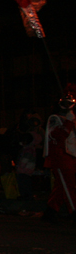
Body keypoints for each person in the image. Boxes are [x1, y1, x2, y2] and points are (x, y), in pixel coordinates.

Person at [42, 94, 76, 222]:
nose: (67, 106)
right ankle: (74, 211)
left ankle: (51, 211)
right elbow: (57, 136)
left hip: (70, 157)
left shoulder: (71, 118)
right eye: (65, 104)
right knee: (68, 186)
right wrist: (68, 123)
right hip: (61, 157)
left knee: (62, 186)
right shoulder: (55, 118)